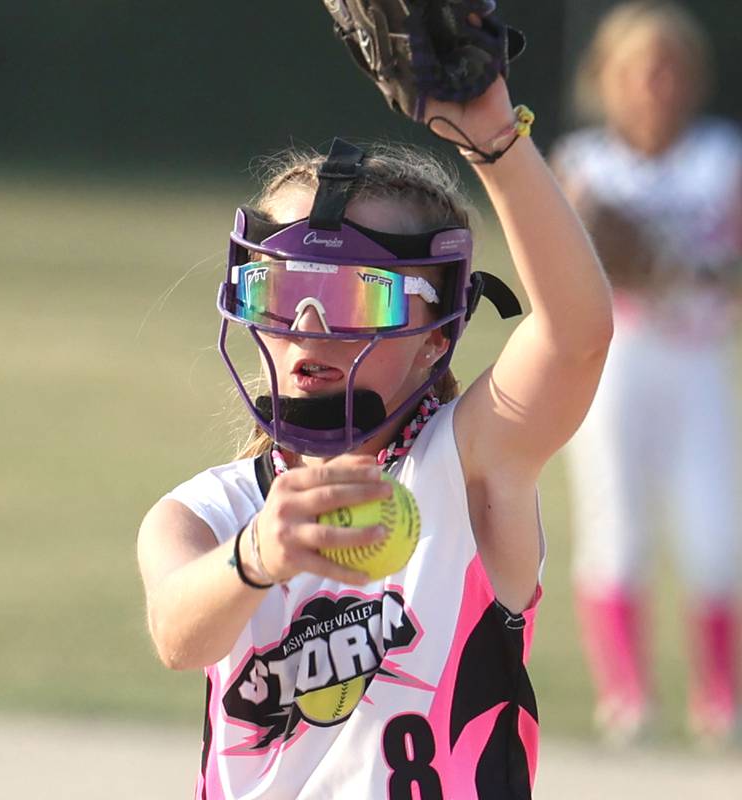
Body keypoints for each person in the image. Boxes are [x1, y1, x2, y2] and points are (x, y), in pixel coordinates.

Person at [136, 18, 613, 799]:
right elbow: (177, 632)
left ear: (435, 337)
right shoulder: (211, 510)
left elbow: (578, 337)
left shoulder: (469, 468)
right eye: (283, 290)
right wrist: (257, 555)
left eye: (356, 293)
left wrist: (494, 137)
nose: (310, 325)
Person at [551, 1, 742, 745]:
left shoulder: (723, 157)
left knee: (715, 531)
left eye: (669, 68)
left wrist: (692, 269)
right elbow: (572, 264)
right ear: (609, 78)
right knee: (615, 524)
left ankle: (718, 697)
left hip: (696, 358)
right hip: (617, 361)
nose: (656, 83)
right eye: (639, 68)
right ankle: (626, 697)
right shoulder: (585, 164)